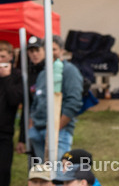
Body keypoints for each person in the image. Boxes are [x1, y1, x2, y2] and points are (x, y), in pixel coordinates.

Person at [26, 35, 83, 163]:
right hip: (38, 131)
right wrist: (31, 126)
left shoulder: (69, 71)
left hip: (59, 132)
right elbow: (36, 101)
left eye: (54, 49)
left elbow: (74, 102)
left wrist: (57, 127)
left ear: (62, 50)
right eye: (47, 49)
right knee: (44, 172)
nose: (51, 53)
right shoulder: (43, 73)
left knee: (57, 171)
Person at [0, 45, 23, 186]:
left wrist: (6, 78)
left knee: (3, 172)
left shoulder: (16, 75)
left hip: (5, 133)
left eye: (2, 56)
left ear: (10, 56)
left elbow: (15, 99)